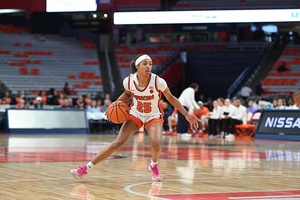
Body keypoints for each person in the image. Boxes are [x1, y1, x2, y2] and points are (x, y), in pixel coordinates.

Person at [70, 54, 200, 181]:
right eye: (145, 64)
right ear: (137, 66)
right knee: (118, 143)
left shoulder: (157, 81)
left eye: (150, 64)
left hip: (153, 115)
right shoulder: (129, 81)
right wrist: (113, 106)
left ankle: (154, 165)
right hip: (135, 113)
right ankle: (86, 168)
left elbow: (171, 98)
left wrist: (186, 114)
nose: (148, 66)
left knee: (155, 143)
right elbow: (127, 94)